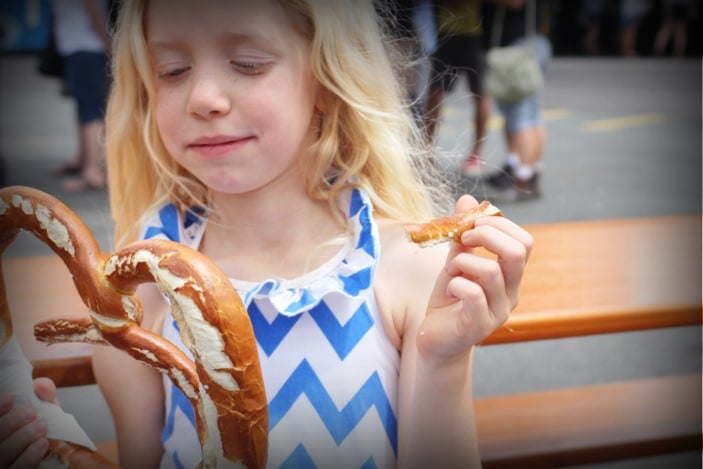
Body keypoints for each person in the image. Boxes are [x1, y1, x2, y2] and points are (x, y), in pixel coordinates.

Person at [0, 1, 532, 468]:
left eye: (247, 64)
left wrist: (443, 359)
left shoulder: (405, 271)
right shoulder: (141, 286)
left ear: (326, 83)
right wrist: (53, 443)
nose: (202, 97)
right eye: (173, 70)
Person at [482, 0, 552, 202]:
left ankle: (523, 179)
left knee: (521, 118)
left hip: (517, 48)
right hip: (532, 44)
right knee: (532, 115)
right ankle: (530, 171)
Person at [423, 0, 490, 175]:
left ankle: (476, 153)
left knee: (481, 94)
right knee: (435, 93)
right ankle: (426, 151)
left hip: (473, 34)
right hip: (447, 32)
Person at [50, 0, 111, 192]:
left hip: (87, 44)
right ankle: (84, 160)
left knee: (90, 110)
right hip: (78, 44)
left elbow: (93, 7)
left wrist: (107, 42)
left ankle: (92, 170)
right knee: (84, 106)